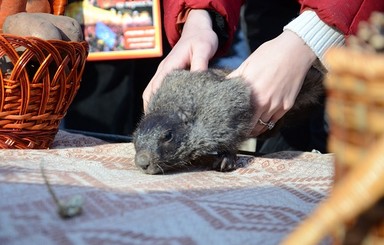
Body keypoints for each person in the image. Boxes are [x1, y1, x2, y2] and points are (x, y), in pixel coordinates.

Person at [142, 0, 384, 153]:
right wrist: (199, 15)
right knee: (288, 125)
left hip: (367, 30)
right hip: (271, 13)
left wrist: (311, 36)